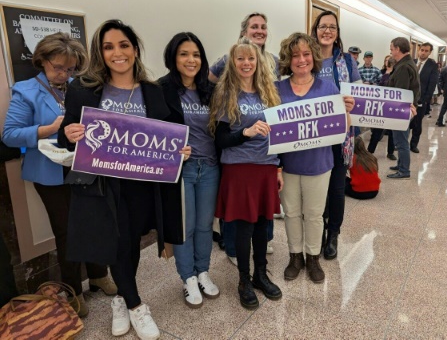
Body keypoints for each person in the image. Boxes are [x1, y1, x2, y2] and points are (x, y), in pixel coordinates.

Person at [58, 20, 189, 340]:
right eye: (108, 46)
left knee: (129, 242)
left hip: (142, 185)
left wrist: (179, 150)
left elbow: (169, 133)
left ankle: (119, 299)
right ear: (99, 53)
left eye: (124, 45)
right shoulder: (82, 89)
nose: (117, 53)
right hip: (103, 185)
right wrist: (69, 133)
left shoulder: (152, 91)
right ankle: (135, 304)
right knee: (117, 240)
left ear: (135, 49)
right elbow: (68, 134)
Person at [2, 32, 116, 318]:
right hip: (50, 173)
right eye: (58, 67)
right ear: (42, 61)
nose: (65, 74)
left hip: (84, 167)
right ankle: (74, 291)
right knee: (66, 232)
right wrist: (49, 129)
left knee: (92, 222)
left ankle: (99, 275)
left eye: (71, 68)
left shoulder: (79, 86)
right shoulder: (26, 90)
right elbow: (9, 135)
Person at [209, 37, 282, 310]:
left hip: (266, 167)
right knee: (243, 227)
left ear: (258, 62)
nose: (246, 63)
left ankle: (261, 274)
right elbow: (221, 139)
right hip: (239, 169)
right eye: (240, 58)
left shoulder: (269, 93)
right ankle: (243, 280)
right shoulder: (225, 93)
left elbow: (282, 134)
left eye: (251, 58)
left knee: (263, 224)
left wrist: (279, 166)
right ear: (233, 62)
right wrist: (246, 133)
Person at [277, 32, 354, 283]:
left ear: (314, 57)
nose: (301, 59)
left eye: (306, 54)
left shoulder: (327, 87)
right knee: (290, 213)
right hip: (287, 164)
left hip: (319, 164)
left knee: (314, 214)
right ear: (288, 59)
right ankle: (295, 256)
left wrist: (347, 113)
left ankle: (312, 257)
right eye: (296, 55)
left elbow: (342, 129)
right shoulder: (277, 89)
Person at [159, 33, 219, 309]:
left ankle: (203, 271)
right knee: (186, 226)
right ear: (173, 57)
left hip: (209, 166)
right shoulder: (161, 89)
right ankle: (188, 278)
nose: (190, 60)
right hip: (180, 169)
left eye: (195, 54)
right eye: (184, 54)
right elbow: (153, 132)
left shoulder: (210, 89)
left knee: (205, 225)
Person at [310, 10, 359, 261]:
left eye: (332, 27)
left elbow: (361, 96)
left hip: (341, 137)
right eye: (322, 26)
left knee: (337, 189)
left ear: (337, 33)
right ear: (315, 30)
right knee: (317, 189)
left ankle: (332, 235)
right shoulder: (306, 59)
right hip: (314, 136)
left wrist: (403, 110)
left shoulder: (348, 62)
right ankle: (317, 233)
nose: (327, 31)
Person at [387, 37, 419, 180]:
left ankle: (404, 170)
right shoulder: (407, 63)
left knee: (401, 141)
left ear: (398, 49)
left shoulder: (403, 67)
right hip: (404, 109)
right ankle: (400, 164)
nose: (391, 52)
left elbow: (399, 93)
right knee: (401, 139)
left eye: (392, 49)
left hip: (400, 110)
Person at [410, 42, 439, 153]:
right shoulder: (412, 62)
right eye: (422, 50)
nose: (423, 52)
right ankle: (401, 144)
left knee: (417, 122)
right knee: (406, 122)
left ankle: (413, 144)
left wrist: (426, 99)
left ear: (430, 52)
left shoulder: (432, 65)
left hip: (421, 99)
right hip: (409, 97)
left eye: (426, 51)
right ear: (419, 50)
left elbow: (432, 84)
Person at [367, 56, 396, 160]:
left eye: (390, 60)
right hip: (381, 105)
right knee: (377, 129)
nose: (388, 62)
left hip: (392, 105)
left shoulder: (396, 72)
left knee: (392, 130)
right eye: (386, 60)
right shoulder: (381, 72)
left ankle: (390, 152)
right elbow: (379, 84)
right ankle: (370, 151)